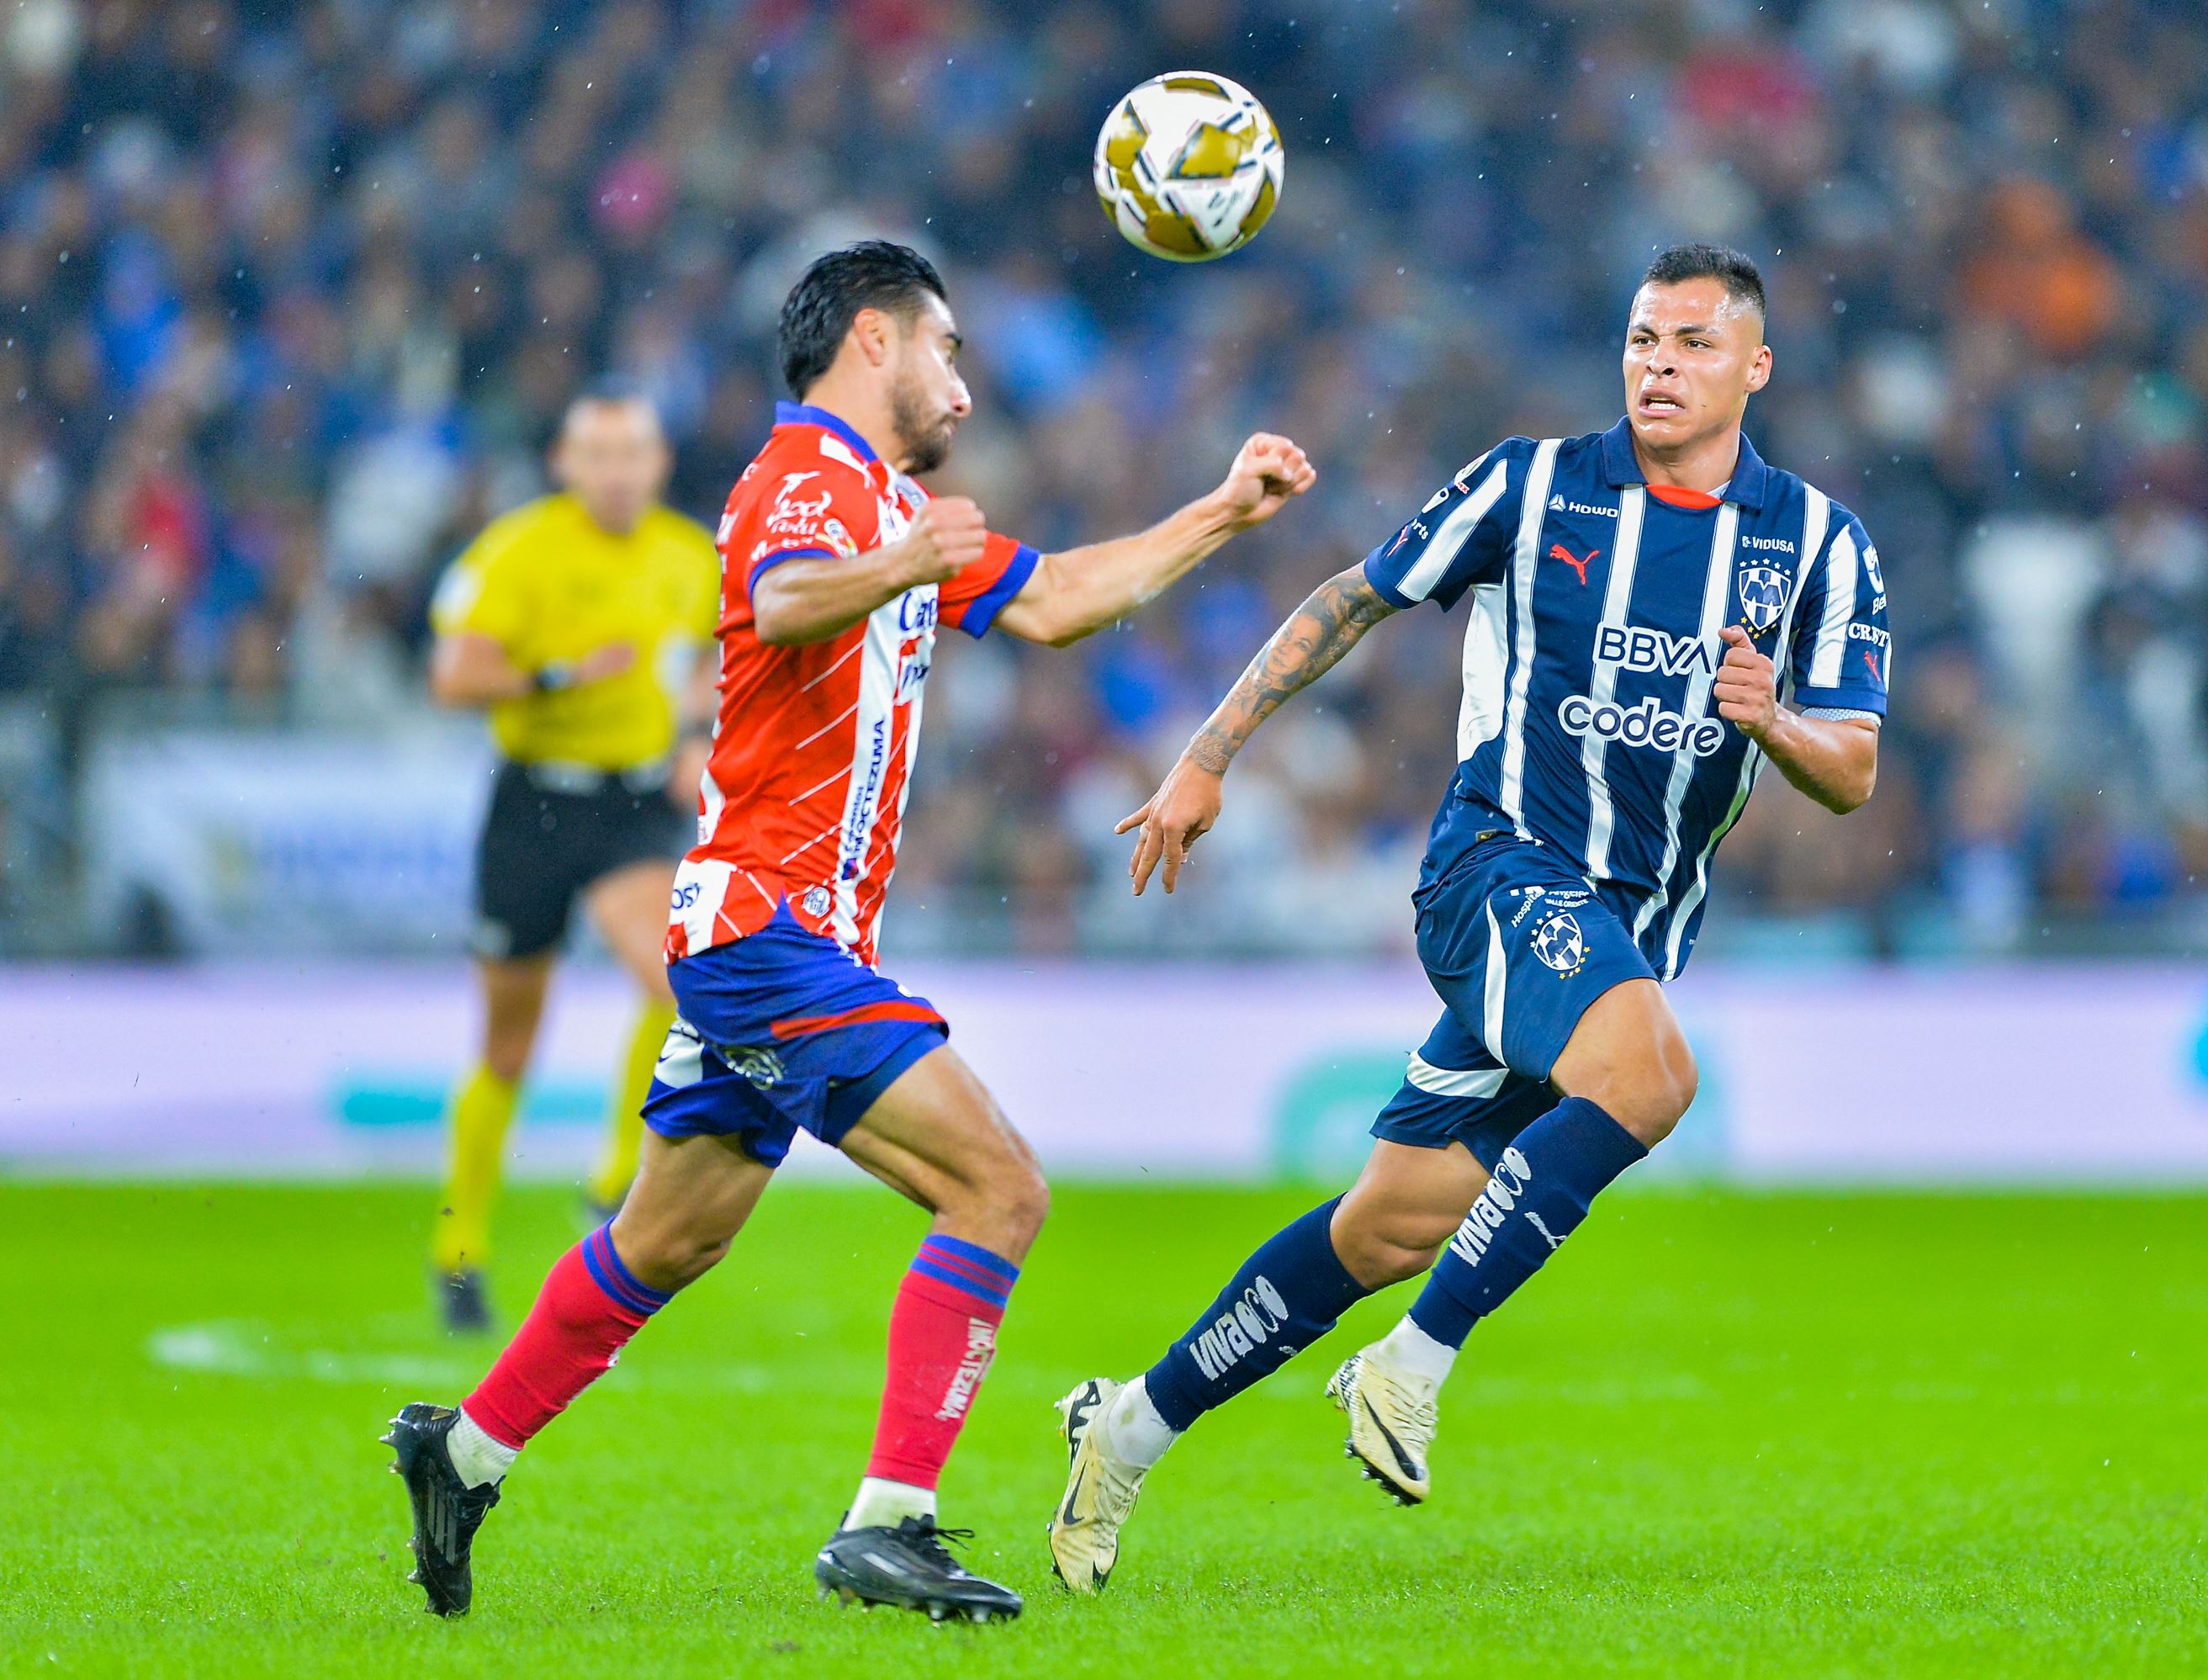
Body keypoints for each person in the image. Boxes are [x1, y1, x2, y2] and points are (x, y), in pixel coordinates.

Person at [384, 241, 1315, 1624]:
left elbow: (1059, 599)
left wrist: (1222, 514)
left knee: (667, 1241)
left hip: (775, 936)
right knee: (998, 1186)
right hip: (769, 929)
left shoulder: (891, 506)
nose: (967, 392)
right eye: (950, 353)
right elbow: (773, 600)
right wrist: (898, 560)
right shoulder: (807, 478)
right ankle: (893, 1521)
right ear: (874, 340)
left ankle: (461, 1451)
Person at [1047, 244, 1890, 1594]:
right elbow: (1351, 600)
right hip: (1493, 869)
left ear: (1755, 367)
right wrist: (1209, 753)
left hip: (1618, 930)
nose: (1657, 365)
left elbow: (1849, 769)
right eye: (1640, 339)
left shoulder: (1821, 547)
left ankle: (1125, 1429)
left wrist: (1770, 717)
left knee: (1387, 1225)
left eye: (1689, 342)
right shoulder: (1532, 483)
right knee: (1654, 1075)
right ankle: (1409, 1366)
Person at [424, 390, 719, 1332]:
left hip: (629, 806)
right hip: (533, 806)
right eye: (599, 453)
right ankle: (459, 1245)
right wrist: (557, 676)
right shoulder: (520, 550)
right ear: (564, 461)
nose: (618, 470)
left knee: (677, 978)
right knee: (509, 1040)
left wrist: (692, 735)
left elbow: (718, 659)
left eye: (633, 451)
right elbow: (453, 675)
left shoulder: (686, 553)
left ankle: (610, 1185)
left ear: (659, 461)